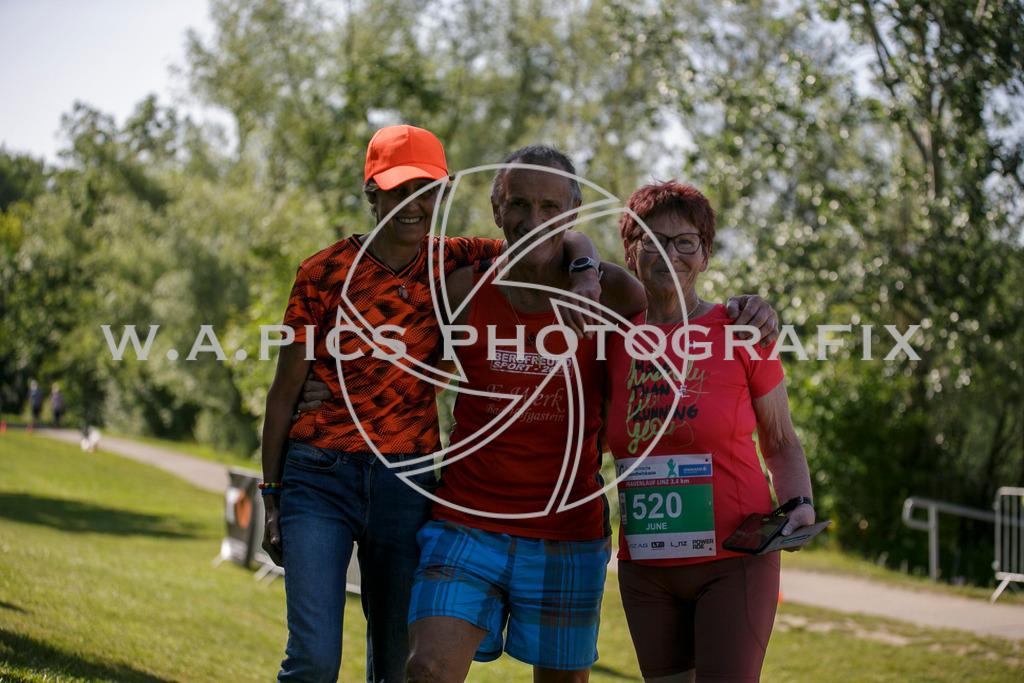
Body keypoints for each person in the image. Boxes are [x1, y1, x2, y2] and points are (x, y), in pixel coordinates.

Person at [402, 150, 779, 682]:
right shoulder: (462, 290)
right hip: (467, 520)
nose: (534, 222)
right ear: (495, 208)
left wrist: (750, 311)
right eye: (518, 204)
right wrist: (323, 390)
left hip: (567, 532)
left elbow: (681, 315)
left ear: (575, 212)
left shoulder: (614, 295)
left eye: (551, 207)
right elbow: (410, 370)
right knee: (428, 667)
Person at [261, 125, 603, 682]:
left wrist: (586, 262)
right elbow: (281, 398)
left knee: (395, 666)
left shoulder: (453, 262)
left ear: (443, 195)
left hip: (407, 479)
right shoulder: (321, 274)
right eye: (397, 190)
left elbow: (551, 237)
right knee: (313, 660)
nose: (413, 205)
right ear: (372, 192)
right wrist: (271, 497)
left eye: (427, 191)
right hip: (319, 474)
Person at [605, 181, 814, 682]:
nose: (669, 253)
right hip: (646, 568)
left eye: (685, 241)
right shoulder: (611, 343)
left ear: (705, 253)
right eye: (652, 240)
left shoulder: (743, 330)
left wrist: (799, 504)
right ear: (631, 253)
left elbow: (780, 440)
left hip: (734, 561)